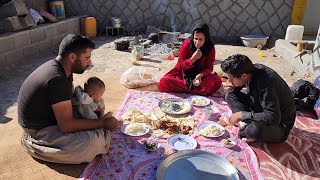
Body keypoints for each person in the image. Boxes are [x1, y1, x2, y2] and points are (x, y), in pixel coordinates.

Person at [18, 34, 122, 164]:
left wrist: (92, 109)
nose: (90, 62)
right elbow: (66, 125)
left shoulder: (63, 70)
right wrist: (102, 123)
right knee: (92, 143)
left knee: (94, 102)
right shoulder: (57, 79)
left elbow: (72, 96)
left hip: (55, 120)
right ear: (73, 57)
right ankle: (37, 146)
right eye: (87, 58)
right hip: (40, 132)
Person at [221, 54, 296, 143]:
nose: (229, 82)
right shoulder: (251, 71)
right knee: (230, 95)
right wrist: (235, 87)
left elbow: (273, 117)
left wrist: (243, 115)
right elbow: (243, 87)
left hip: (279, 125)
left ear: (244, 76)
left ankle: (248, 129)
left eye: (231, 79)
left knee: (256, 130)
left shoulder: (266, 83)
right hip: (259, 109)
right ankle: (246, 126)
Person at [158, 23, 222, 96]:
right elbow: (179, 66)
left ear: (206, 38)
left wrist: (200, 75)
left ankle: (189, 90)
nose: (197, 42)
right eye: (195, 39)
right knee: (165, 81)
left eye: (201, 39)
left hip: (201, 77)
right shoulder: (187, 44)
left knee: (215, 81)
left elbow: (209, 68)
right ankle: (196, 91)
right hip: (185, 75)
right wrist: (192, 59)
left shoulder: (210, 48)